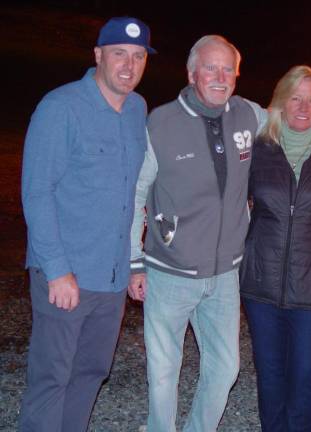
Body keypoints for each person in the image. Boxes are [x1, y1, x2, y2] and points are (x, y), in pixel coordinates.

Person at [19, 16, 155, 432]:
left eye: (138, 56)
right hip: (66, 274)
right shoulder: (60, 108)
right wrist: (58, 271)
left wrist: (134, 263)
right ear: (98, 55)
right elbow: (37, 192)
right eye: (119, 54)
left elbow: (133, 193)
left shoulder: (137, 109)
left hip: (111, 278)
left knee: (91, 373)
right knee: (51, 378)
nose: (129, 65)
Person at [128, 35, 266, 431]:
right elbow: (137, 193)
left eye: (228, 70)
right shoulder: (161, 122)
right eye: (211, 67)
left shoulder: (249, 115)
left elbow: (296, 120)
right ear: (192, 73)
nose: (220, 77)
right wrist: (133, 262)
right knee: (164, 370)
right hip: (169, 271)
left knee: (225, 369)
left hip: (224, 276)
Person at [240, 65, 311, 432]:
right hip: (261, 283)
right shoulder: (260, 149)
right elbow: (229, 204)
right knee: (270, 375)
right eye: (296, 98)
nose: (304, 107)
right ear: (281, 102)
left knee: (304, 376)